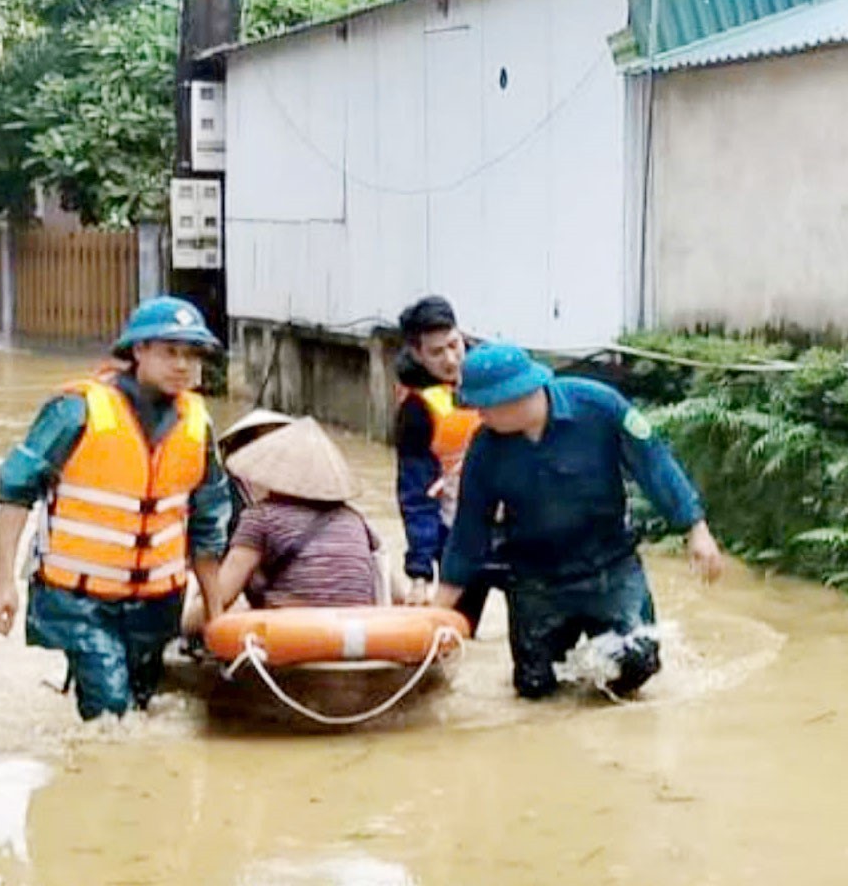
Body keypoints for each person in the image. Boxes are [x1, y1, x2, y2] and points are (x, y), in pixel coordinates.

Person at [435, 343, 725, 701]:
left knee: (638, 664)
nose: (479, 415)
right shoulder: (485, 450)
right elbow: (468, 535)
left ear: (514, 398)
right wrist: (437, 618)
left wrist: (695, 528)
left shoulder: (600, 407)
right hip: (535, 582)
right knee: (535, 691)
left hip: (611, 569)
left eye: (483, 407)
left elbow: (654, 463)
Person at [0, 296, 232, 720]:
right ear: (138, 351)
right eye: (170, 351)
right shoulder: (76, 410)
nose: (183, 365)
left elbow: (208, 525)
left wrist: (216, 616)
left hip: (157, 602)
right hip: (78, 598)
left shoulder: (198, 424)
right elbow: (15, 492)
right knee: (110, 711)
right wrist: (3, 582)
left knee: (141, 704)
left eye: (192, 355)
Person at [391, 296, 500, 629]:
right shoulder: (416, 410)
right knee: (459, 635)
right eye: (437, 353)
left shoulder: (498, 377)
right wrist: (420, 571)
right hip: (458, 537)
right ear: (417, 354)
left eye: (454, 345)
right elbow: (416, 494)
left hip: (516, 529)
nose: (451, 359)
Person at [208, 417, 382, 613]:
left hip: (290, 631)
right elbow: (393, 588)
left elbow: (219, 597)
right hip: (358, 631)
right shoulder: (354, 519)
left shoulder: (262, 517)